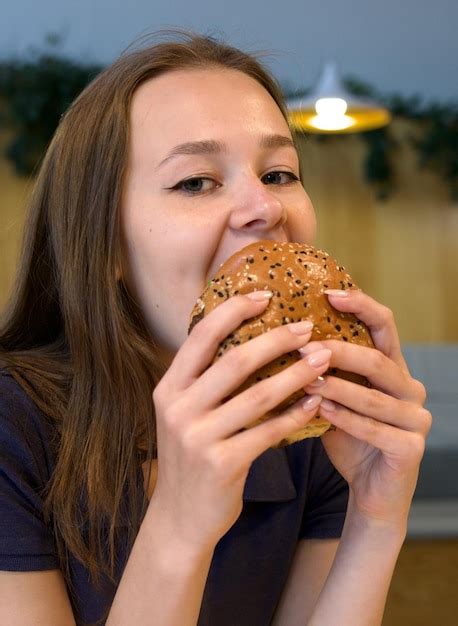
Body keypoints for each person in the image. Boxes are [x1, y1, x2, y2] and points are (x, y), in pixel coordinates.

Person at [0, 29, 431, 626]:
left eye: (279, 173)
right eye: (196, 181)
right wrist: (180, 526)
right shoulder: (12, 431)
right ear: (104, 247)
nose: (266, 207)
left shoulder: (316, 437)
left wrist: (376, 520)